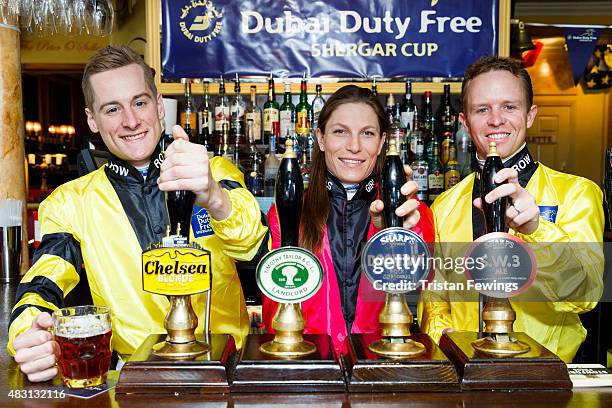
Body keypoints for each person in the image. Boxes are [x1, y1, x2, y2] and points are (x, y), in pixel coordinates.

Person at [8, 45, 268, 382]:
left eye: (140, 103)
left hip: (227, 372)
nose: (131, 121)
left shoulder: (214, 172)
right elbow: (42, 284)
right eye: (112, 109)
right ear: (92, 119)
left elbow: (253, 246)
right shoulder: (70, 201)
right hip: (136, 378)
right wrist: (29, 334)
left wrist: (213, 195)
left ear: (159, 106)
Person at [418, 56, 604, 362]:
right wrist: (454, 354)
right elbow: (436, 303)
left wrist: (536, 230)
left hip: (545, 381)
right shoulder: (444, 205)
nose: (495, 120)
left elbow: (585, 294)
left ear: (530, 115)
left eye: (509, 106)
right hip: (466, 379)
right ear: (464, 122)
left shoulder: (577, 193)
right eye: (482, 109)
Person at [262, 85, 435, 352]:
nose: (354, 146)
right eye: (340, 131)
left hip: (379, 368)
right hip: (308, 370)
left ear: (381, 143)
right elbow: (274, 307)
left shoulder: (411, 212)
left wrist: (392, 233)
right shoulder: (288, 211)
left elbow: (425, 286)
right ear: (320, 138)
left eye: (367, 133)